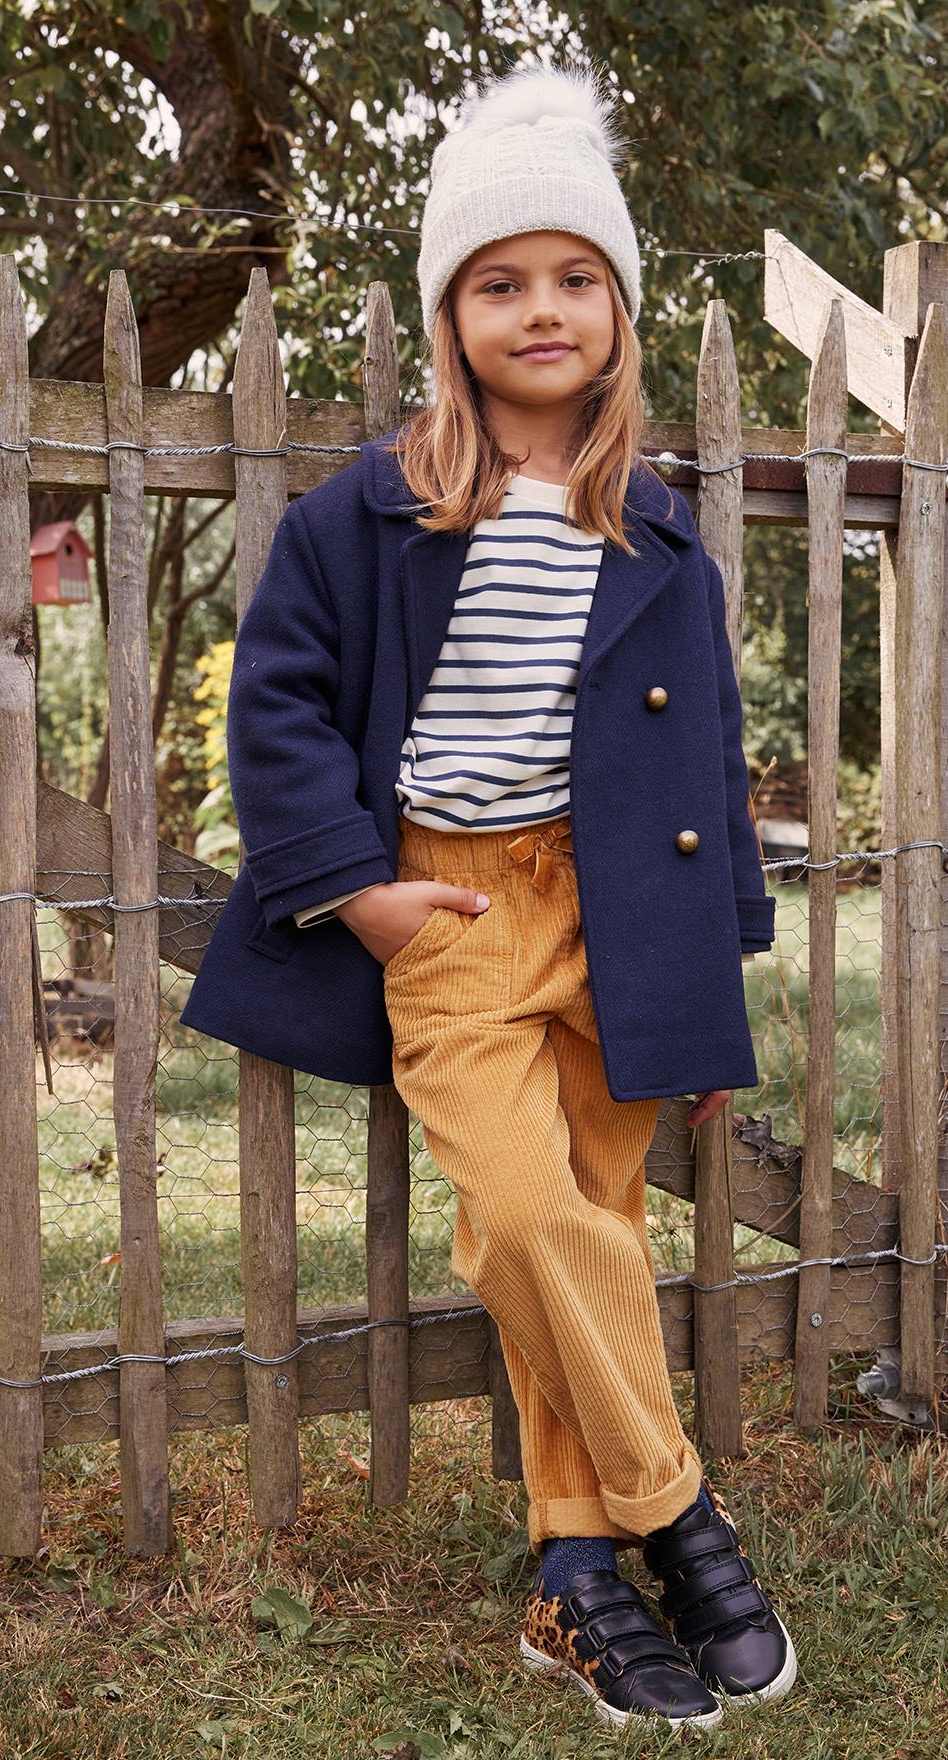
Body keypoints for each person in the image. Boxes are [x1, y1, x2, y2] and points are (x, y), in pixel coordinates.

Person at [180, 55, 796, 1737]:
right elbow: (281, 710)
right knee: (527, 1220)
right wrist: (361, 894)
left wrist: (706, 983)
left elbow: (704, 778)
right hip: (448, 912)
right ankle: (679, 1509)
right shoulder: (362, 517)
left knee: (587, 1228)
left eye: (575, 278)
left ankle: (577, 1573)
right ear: (452, 314)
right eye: (501, 281)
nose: (542, 308)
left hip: (617, 922)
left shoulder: (658, 538)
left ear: (619, 309)